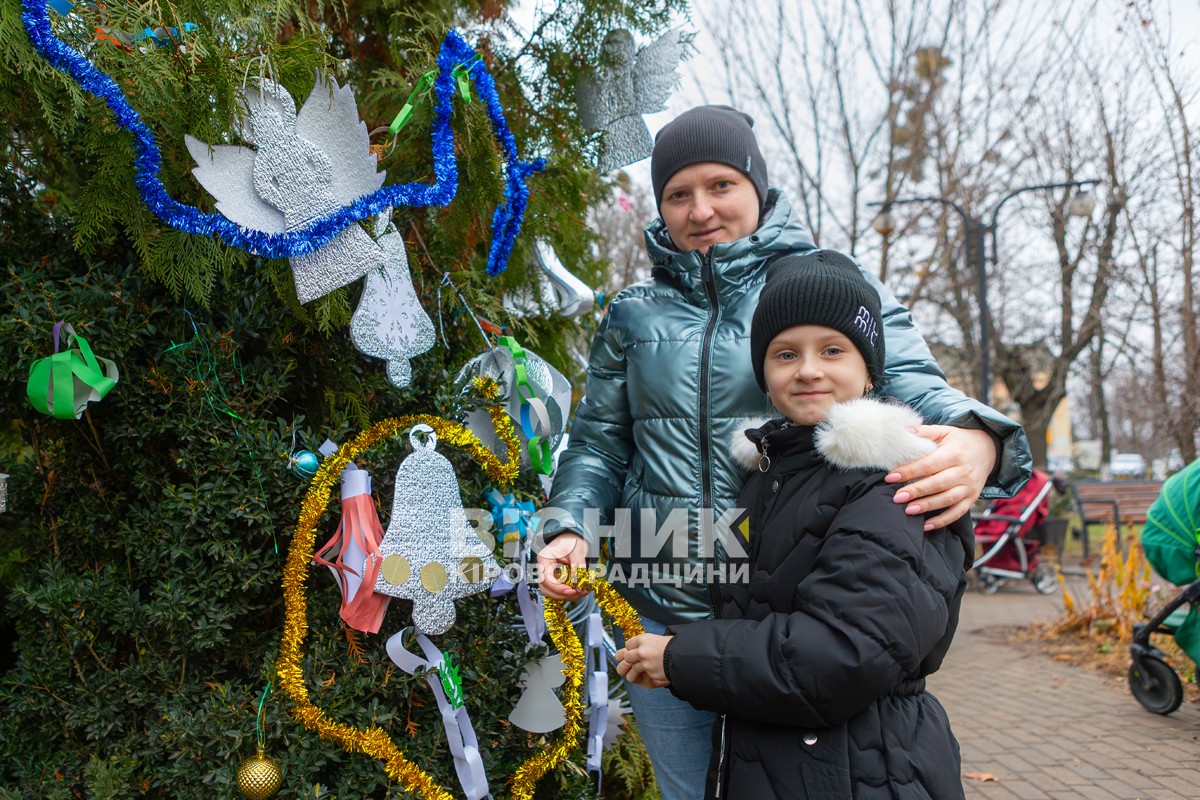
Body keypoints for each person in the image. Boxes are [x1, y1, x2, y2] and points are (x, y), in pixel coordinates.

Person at [537, 105, 1028, 799]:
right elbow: (599, 441)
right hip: (662, 600)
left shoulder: (824, 279)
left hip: (783, 616)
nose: (701, 209)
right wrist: (567, 525)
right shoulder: (633, 314)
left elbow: (914, 383)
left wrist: (980, 439)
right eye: (678, 193)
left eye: (721, 185)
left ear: (758, 190)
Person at [615, 251, 971, 799]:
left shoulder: (892, 483)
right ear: (764, 372)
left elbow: (843, 653)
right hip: (788, 760)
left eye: (832, 350)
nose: (808, 369)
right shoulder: (774, 474)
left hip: (855, 770)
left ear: (869, 367)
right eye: (785, 354)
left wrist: (679, 658)